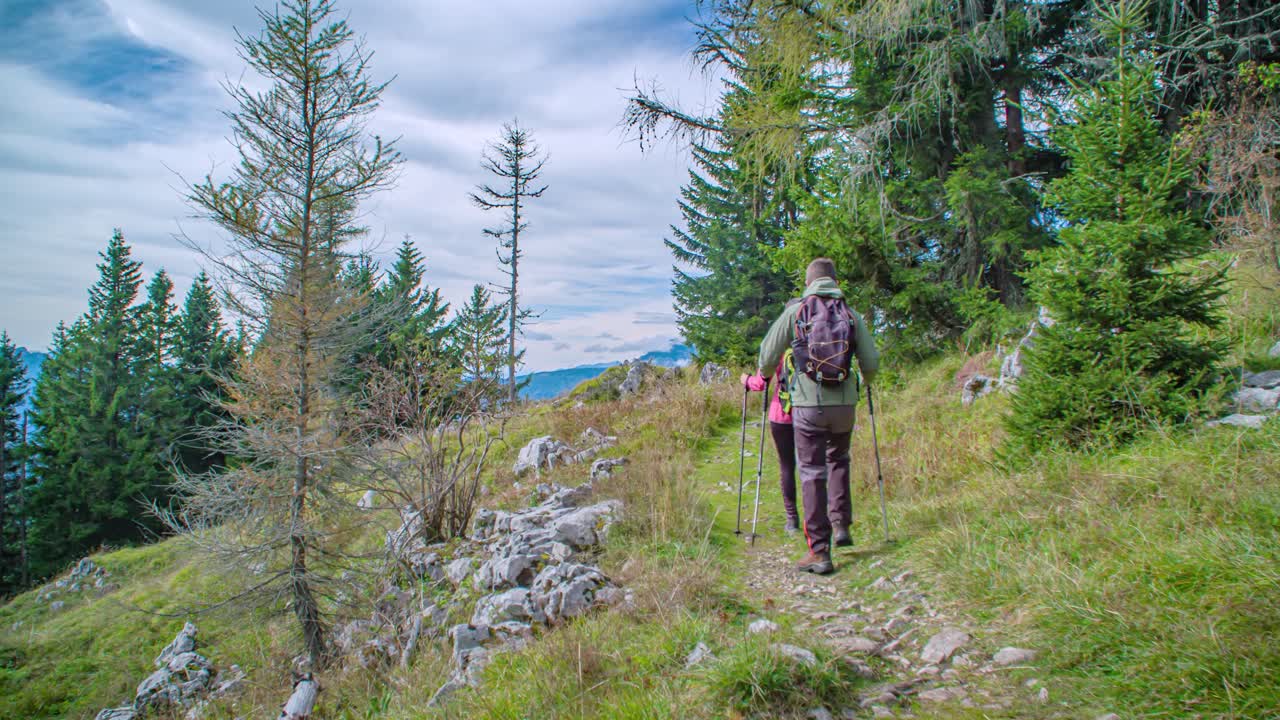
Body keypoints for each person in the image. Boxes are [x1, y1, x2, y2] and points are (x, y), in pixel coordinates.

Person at [757, 258, 879, 574]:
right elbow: (872, 362)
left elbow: (767, 354)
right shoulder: (850, 314)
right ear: (834, 281)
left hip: (809, 404)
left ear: (809, 283)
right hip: (845, 404)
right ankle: (841, 526)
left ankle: (820, 551)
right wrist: (862, 381)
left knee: (811, 470)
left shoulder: (798, 312)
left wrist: (766, 374)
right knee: (839, 459)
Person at [741, 347, 799, 533]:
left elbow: (759, 384)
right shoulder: (813, 342)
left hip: (782, 414)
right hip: (812, 414)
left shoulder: (779, 348)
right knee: (814, 466)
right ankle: (821, 517)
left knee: (787, 465)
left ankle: (792, 519)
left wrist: (745, 380)